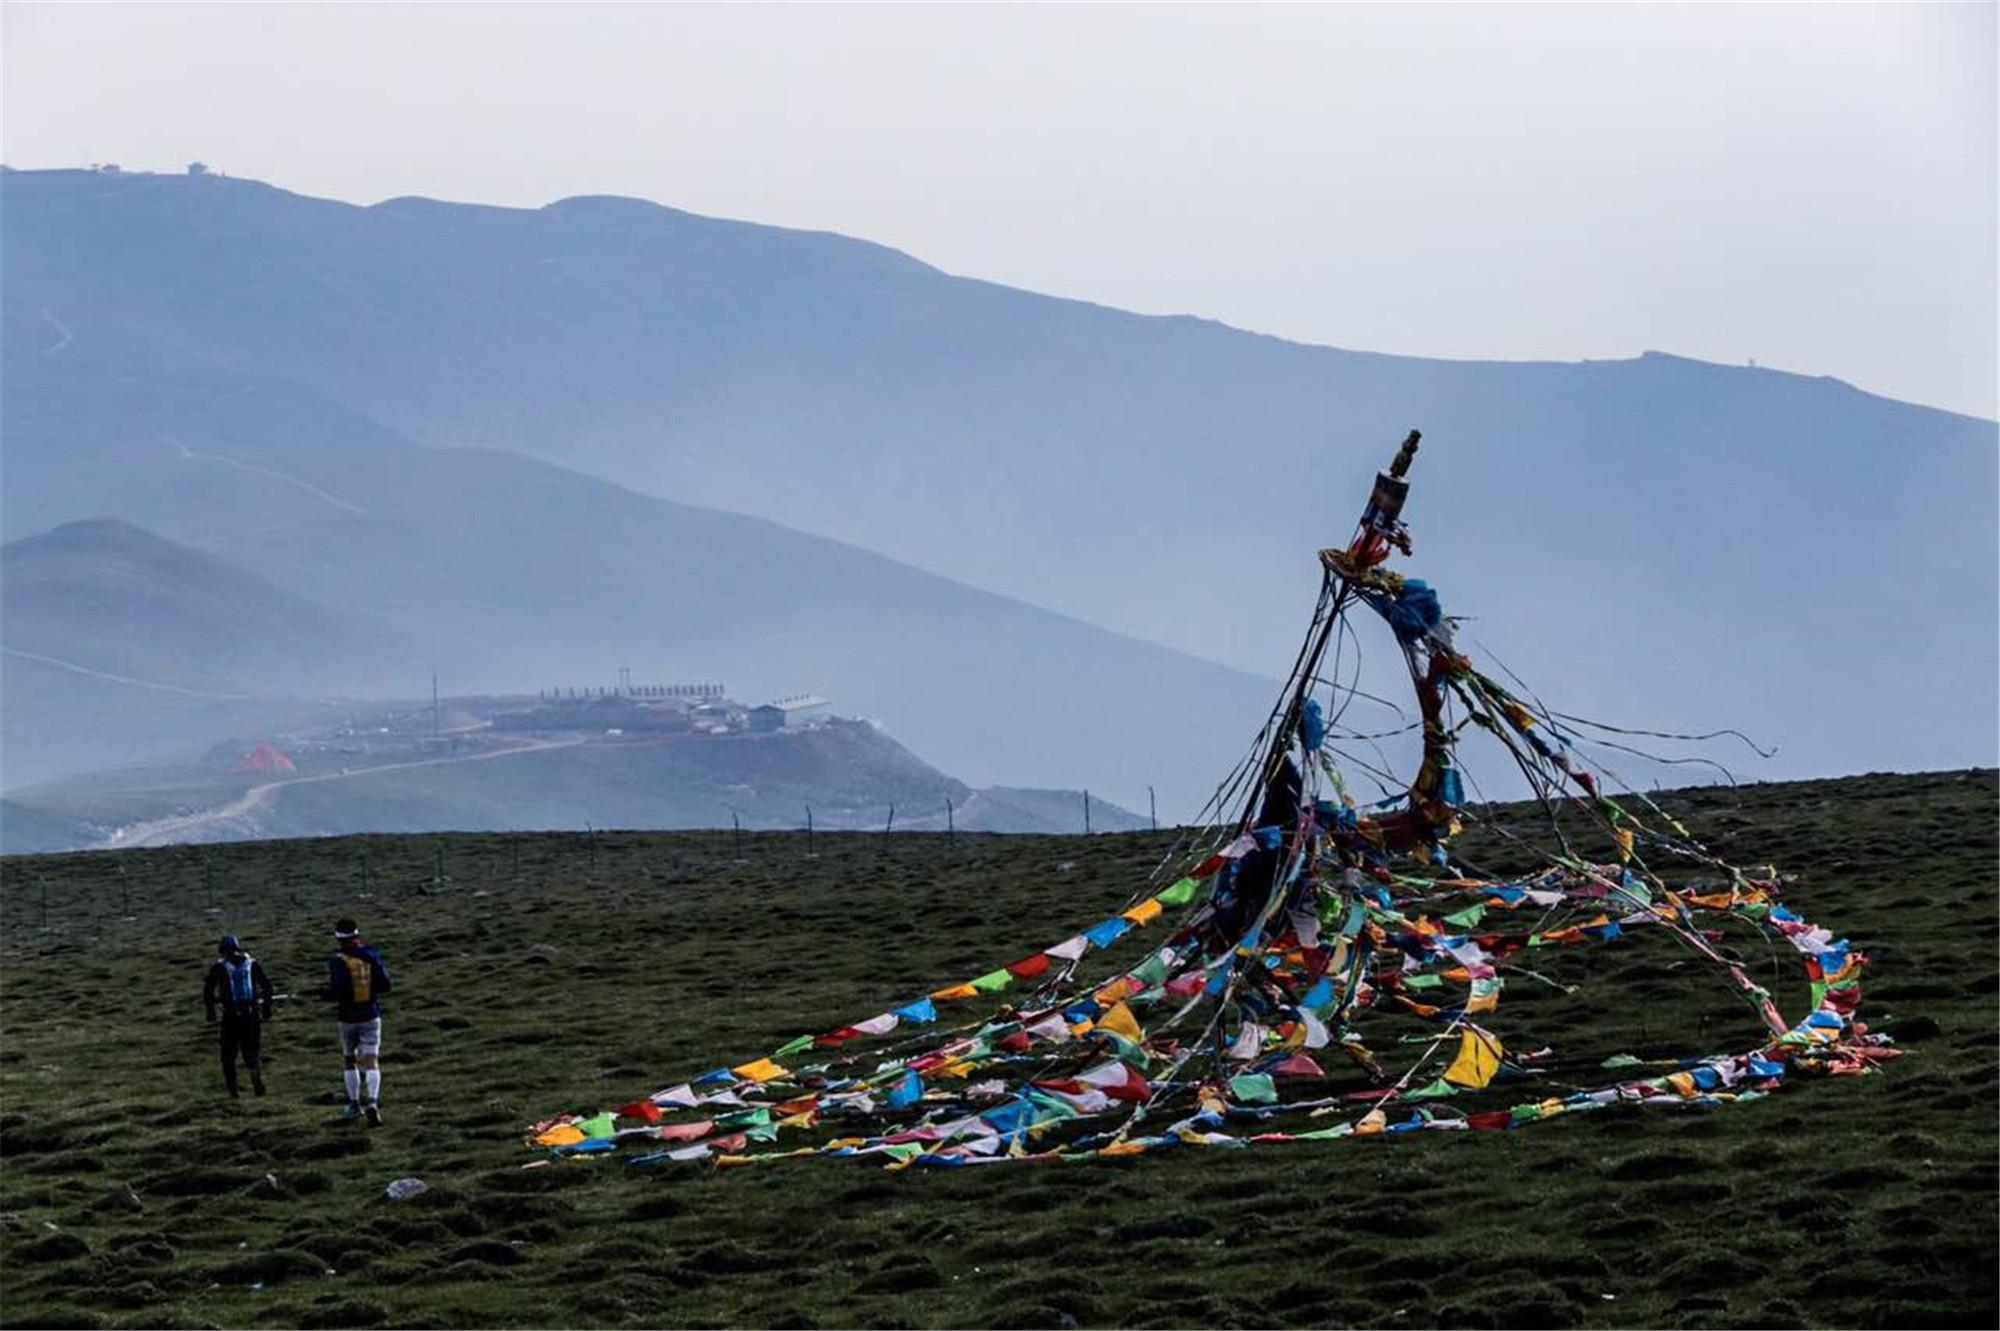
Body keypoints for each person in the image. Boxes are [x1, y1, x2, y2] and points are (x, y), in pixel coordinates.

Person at [321, 917, 392, 1125]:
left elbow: (338, 990)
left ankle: (354, 1104)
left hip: (347, 1017)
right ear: (357, 934)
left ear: (338, 938)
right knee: (371, 1061)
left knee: (349, 1060)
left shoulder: (337, 960)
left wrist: (324, 994)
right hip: (370, 1014)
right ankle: (372, 1102)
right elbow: (386, 985)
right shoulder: (372, 955)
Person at [203, 933, 273, 1098]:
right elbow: (267, 987)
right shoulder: (252, 964)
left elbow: (208, 991)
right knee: (252, 1051)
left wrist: (211, 1012)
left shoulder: (219, 967)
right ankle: (255, 1076)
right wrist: (267, 1008)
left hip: (231, 1016)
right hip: (251, 1014)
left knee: (228, 1055)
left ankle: (233, 1092)